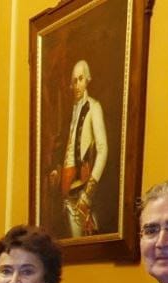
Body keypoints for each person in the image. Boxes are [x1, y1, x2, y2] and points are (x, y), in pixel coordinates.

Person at [49, 60, 108, 237]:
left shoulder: (94, 107)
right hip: (65, 185)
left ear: (87, 79)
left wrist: (89, 191)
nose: (76, 85)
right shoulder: (69, 113)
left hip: (81, 183)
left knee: (82, 238)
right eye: (74, 81)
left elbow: (103, 149)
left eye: (80, 79)